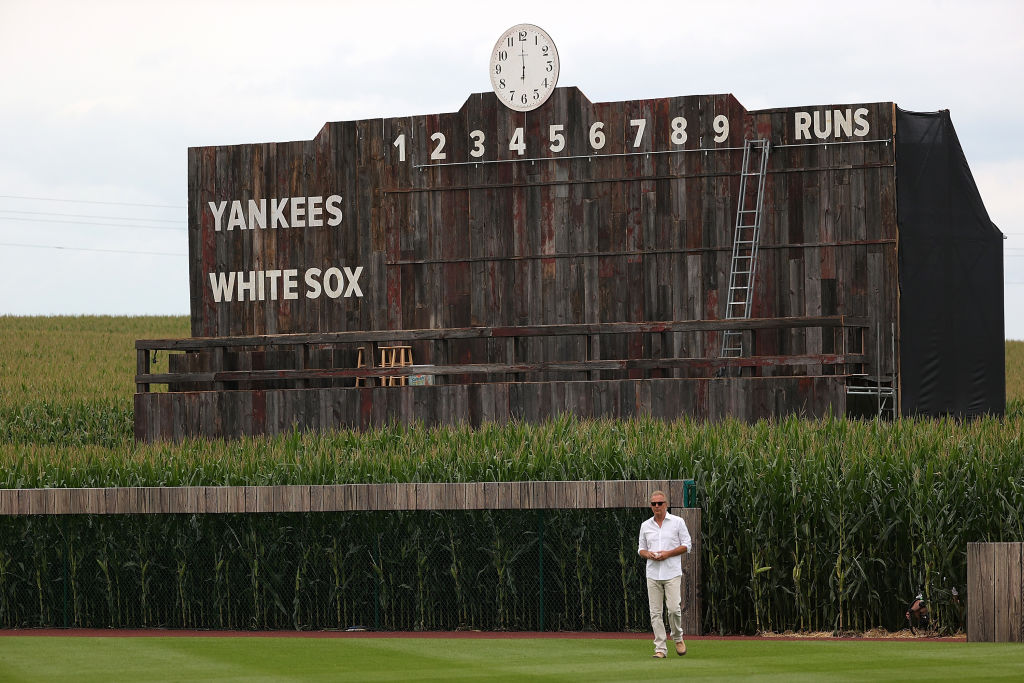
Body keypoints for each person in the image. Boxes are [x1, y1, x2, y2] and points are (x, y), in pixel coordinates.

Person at [637, 490, 690, 658]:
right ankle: (660, 648)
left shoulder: (677, 522)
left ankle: (678, 637)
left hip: (672, 572)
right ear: (651, 506)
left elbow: (687, 545)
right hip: (652, 573)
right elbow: (641, 549)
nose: (657, 506)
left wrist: (668, 554)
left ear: (666, 504)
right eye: (653, 504)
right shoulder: (645, 525)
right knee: (655, 612)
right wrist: (648, 554)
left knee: (674, 609)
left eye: (660, 503)